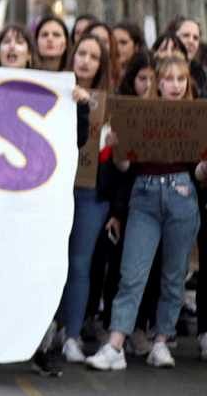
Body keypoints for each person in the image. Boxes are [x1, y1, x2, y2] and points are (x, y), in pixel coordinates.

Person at [87, 53, 207, 370]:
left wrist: (204, 167)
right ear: (157, 82)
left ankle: (161, 341)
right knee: (132, 273)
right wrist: (117, 145)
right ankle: (115, 343)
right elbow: (125, 165)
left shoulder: (196, 116)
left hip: (181, 193)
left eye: (181, 79)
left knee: (173, 275)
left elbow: (198, 171)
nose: (175, 85)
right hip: (144, 193)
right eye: (168, 79)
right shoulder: (140, 113)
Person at [55, 34, 105, 364]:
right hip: (54, 188)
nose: (85, 60)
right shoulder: (53, 88)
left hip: (90, 192)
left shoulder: (108, 100)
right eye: (81, 53)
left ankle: (71, 335)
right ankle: (47, 328)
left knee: (79, 263)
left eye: (94, 56)